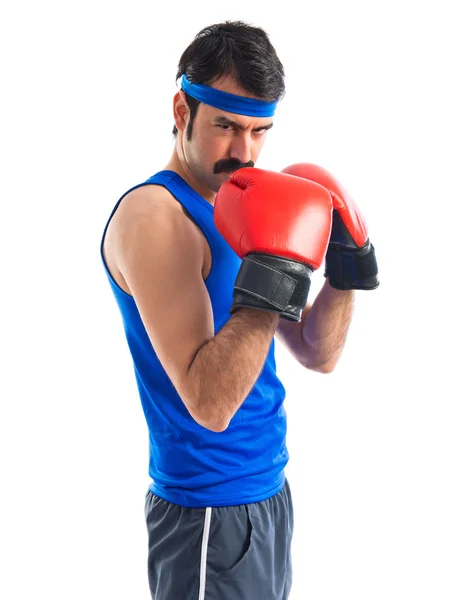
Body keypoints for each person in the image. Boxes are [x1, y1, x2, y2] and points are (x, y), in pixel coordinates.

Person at [99, 20, 378, 600]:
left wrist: (343, 272)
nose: (244, 152)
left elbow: (317, 354)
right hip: (207, 510)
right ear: (183, 109)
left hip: (267, 491)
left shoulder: (245, 206)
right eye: (225, 126)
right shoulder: (155, 218)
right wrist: (275, 273)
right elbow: (210, 404)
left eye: (259, 131)